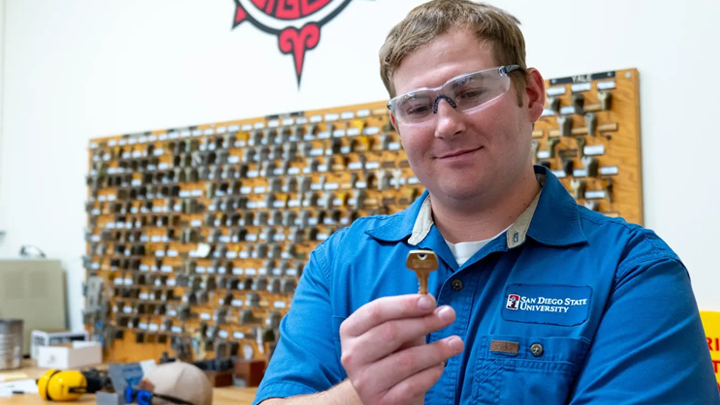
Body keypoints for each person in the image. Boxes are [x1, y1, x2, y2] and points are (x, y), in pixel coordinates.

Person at [253, 1, 720, 404]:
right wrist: (359, 397)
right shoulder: (341, 263)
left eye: (470, 92)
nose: (445, 124)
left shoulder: (633, 272)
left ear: (531, 95)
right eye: (418, 106)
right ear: (397, 125)